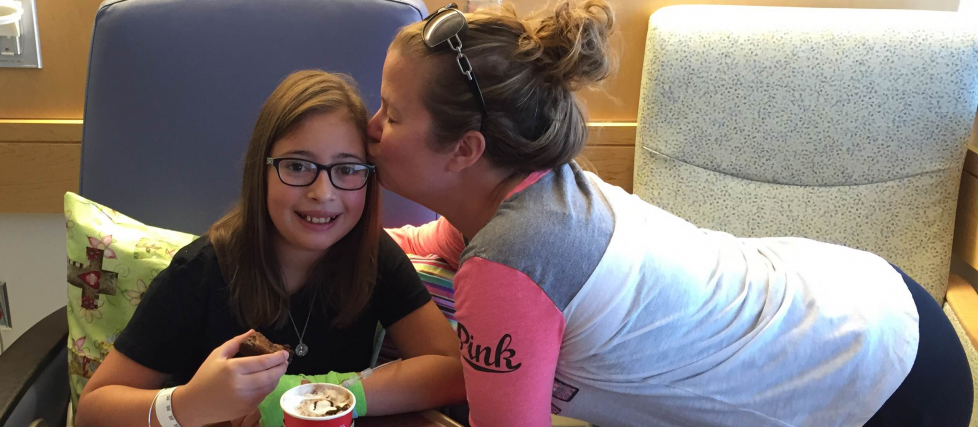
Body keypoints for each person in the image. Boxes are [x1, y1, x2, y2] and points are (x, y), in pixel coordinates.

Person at [371, 2, 972, 426]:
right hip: (863, 292)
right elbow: (423, 243)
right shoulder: (528, 193)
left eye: (392, 114)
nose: (370, 129)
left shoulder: (512, 264)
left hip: (885, 378)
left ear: (465, 150)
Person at [76, 70, 464, 427]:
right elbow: (93, 410)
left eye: (347, 169)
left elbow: (454, 370)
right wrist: (191, 403)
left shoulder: (372, 256)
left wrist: (320, 394)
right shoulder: (201, 272)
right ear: (260, 171)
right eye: (297, 166)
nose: (322, 193)